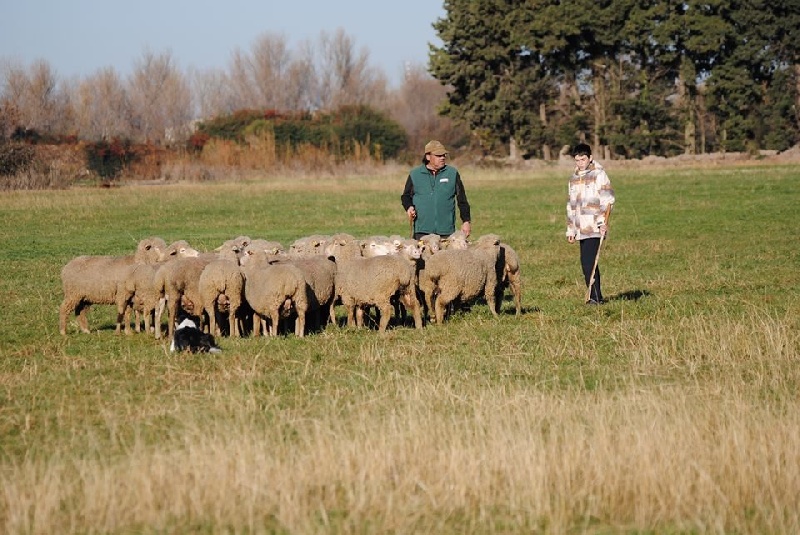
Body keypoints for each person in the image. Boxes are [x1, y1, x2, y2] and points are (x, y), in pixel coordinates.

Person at [566, 143, 615, 305]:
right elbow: (571, 206)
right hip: (580, 227)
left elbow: (607, 200)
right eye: (577, 160)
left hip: (594, 226)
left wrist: (602, 223)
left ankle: (595, 297)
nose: (580, 163)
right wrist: (571, 230)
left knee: (589, 262)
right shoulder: (573, 179)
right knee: (585, 263)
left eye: (583, 159)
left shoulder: (599, 175)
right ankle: (595, 296)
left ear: (590, 158)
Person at [401, 140, 471, 240]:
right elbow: (406, 196)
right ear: (428, 157)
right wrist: (409, 207)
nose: (442, 158)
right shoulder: (415, 174)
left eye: (444, 155)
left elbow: (462, 200)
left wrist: (466, 221)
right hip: (422, 231)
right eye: (438, 155)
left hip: (446, 232)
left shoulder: (452, 173)